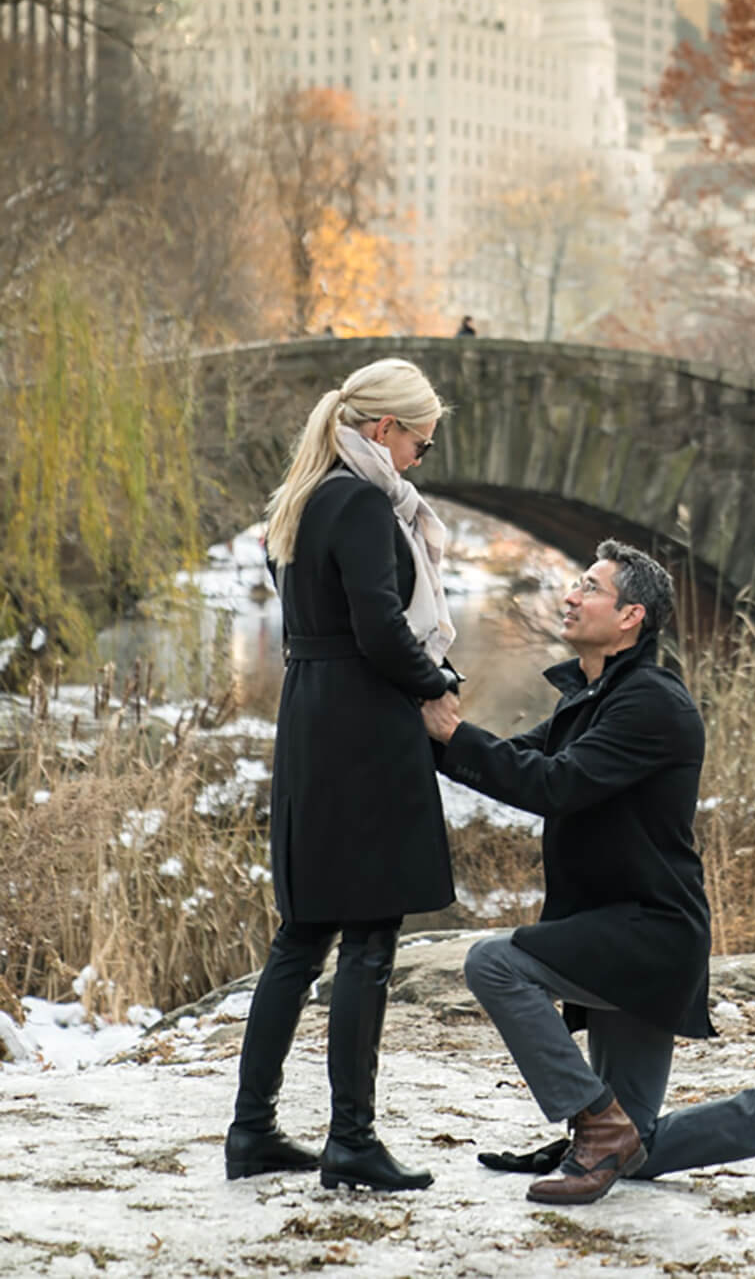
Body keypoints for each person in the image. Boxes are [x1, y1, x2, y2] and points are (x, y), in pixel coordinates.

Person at [420, 540, 755, 1206]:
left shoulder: (650, 704)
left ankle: (593, 1123)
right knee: (636, 1149)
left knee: (494, 963)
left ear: (631, 616)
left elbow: (554, 785)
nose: (571, 596)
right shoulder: (594, 697)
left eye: (590, 587)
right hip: (614, 933)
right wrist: (430, 733)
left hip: (645, 937)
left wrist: (454, 736)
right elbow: (510, 763)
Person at [225, 358, 458, 1193]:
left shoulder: (303, 499)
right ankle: (351, 1141)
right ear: (384, 430)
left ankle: (252, 1131)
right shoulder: (361, 501)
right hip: (363, 725)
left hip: (311, 718)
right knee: (367, 940)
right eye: (420, 445)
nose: (418, 461)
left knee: (301, 935)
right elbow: (381, 626)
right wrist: (440, 688)